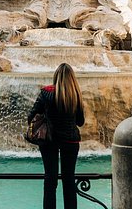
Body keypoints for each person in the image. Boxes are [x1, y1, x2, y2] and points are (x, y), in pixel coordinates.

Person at [28, 63, 85, 209]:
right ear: (72, 78)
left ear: (56, 77)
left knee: (50, 179)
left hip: (49, 140)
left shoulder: (46, 93)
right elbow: (80, 121)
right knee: (69, 180)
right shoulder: (76, 94)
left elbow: (31, 116)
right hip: (70, 140)